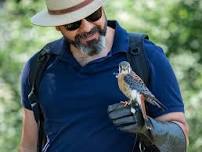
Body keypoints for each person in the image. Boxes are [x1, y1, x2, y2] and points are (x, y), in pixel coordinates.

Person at [19, 0, 189, 152]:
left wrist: (148, 127)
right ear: (58, 26)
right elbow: (28, 147)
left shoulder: (145, 56)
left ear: (102, 6)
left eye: (93, 15)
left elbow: (180, 143)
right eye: (73, 24)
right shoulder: (39, 66)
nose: (87, 27)